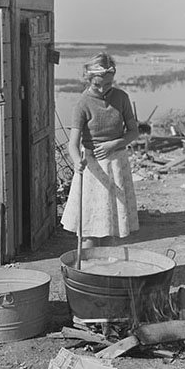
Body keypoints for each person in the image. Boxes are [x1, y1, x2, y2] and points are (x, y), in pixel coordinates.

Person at [61, 52, 140, 246]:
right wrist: (77, 161)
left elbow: (133, 132)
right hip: (92, 167)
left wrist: (114, 144)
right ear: (88, 79)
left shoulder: (121, 98)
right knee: (89, 227)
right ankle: (87, 262)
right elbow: (73, 144)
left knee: (113, 227)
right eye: (97, 84)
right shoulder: (82, 104)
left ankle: (110, 263)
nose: (103, 89)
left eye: (108, 84)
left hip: (117, 163)